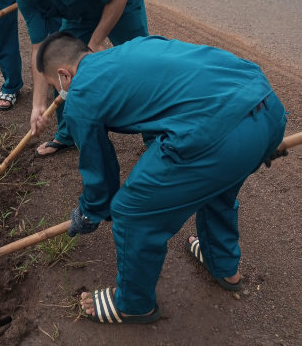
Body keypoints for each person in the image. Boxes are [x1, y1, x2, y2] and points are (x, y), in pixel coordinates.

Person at [35, 31, 287, 324]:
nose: (61, 94)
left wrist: (90, 212)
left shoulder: (80, 93)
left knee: (130, 211)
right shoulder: (136, 46)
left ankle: (133, 304)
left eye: (57, 87)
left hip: (219, 131)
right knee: (216, 187)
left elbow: (99, 170)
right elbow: (166, 106)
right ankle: (223, 265)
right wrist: (261, 139)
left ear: (65, 74)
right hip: (265, 107)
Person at [0, 0, 149, 157]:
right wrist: (37, 106)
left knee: (140, 65)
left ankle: (157, 138)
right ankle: (68, 134)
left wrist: (94, 43)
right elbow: (39, 49)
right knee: (59, 64)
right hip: (80, 13)